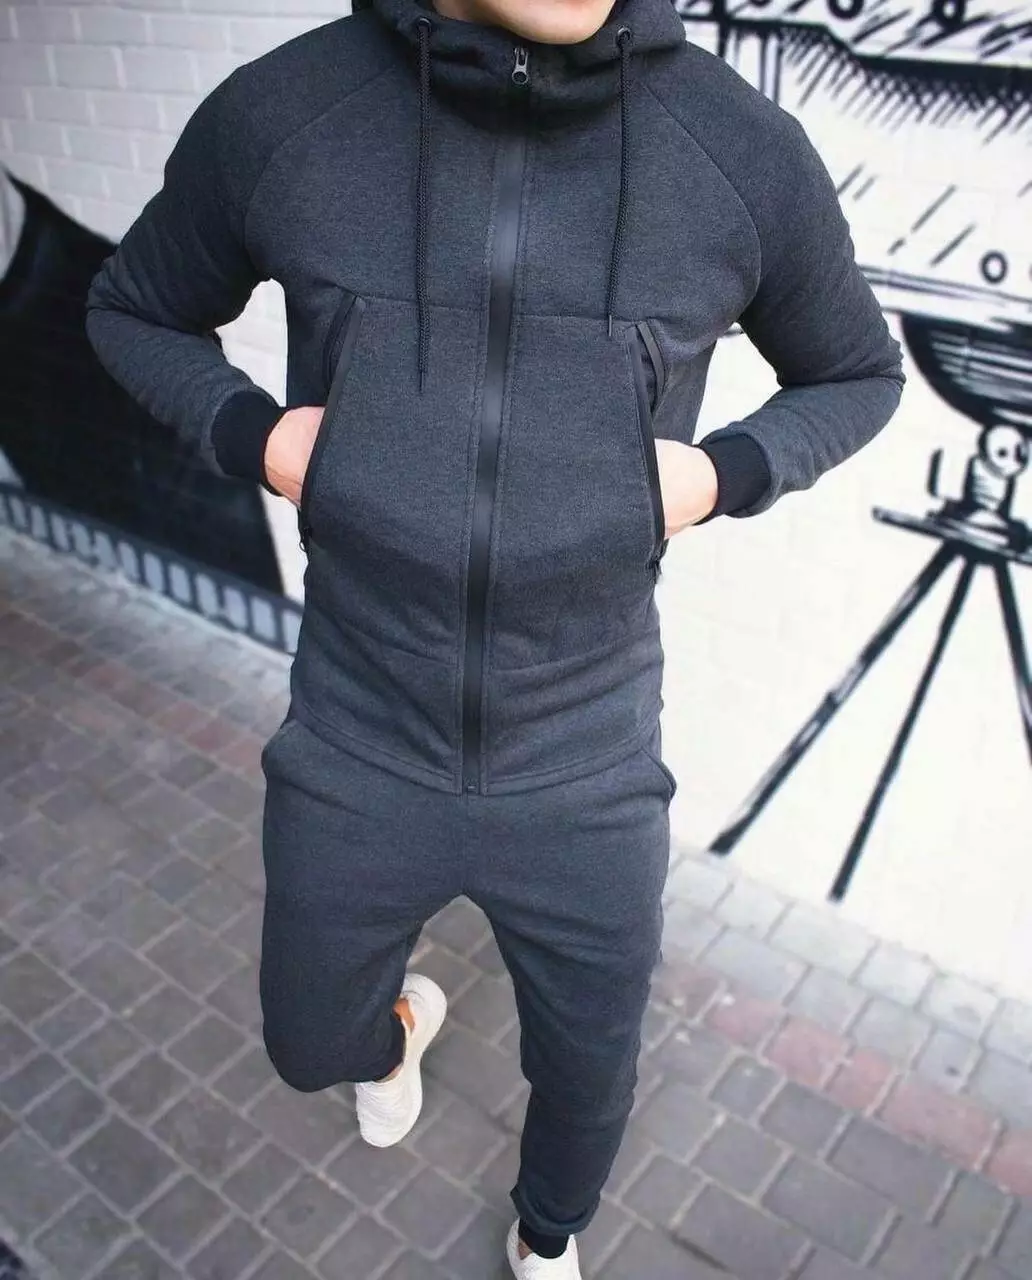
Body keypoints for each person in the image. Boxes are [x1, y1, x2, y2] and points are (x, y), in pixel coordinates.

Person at [84, 0, 905, 1273]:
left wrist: (718, 473)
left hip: (586, 748)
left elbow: (856, 372)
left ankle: (545, 1233)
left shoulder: (736, 149)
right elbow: (134, 309)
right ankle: (400, 1031)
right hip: (360, 723)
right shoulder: (287, 112)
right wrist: (264, 438)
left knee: (587, 1065)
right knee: (308, 1040)